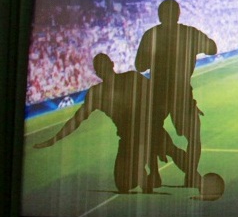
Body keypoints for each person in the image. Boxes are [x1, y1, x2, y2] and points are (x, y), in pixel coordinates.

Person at [34, 52, 165, 194]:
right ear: (110, 65)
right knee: (123, 185)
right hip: (131, 138)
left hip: (144, 133)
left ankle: (148, 171)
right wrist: (54, 139)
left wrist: (156, 129)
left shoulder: (127, 80)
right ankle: (145, 171)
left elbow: (156, 100)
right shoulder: (102, 90)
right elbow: (77, 119)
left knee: (129, 177)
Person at [135, 0, 218, 189]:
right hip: (181, 93)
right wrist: (193, 46)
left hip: (157, 92)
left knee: (152, 133)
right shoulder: (189, 33)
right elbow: (212, 48)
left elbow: (140, 66)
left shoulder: (151, 35)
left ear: (159, 15)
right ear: (179, 14)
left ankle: (154, 174)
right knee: (193, 136)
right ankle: (190, 175)